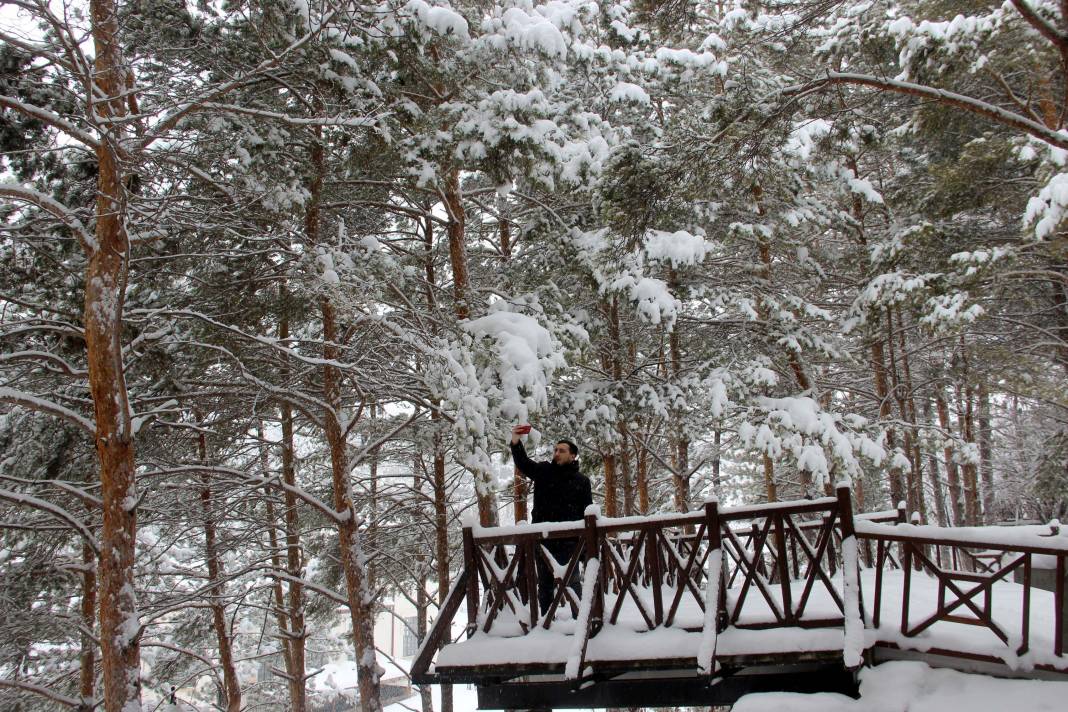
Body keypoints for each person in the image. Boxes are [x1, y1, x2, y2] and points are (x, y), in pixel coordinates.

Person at [510, 425, 593, 616]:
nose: (557, 453)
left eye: (562, 451)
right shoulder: (544, 471)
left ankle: (580, 620)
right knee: (545, 585)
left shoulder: (582, 481)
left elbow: (587, 511)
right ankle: (547, 625)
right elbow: (522, 462)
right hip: (544, 538)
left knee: (572, 582)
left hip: (570, 540)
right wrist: (516, 440)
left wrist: (586, 543)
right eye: (556, 450)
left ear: (573, 456)